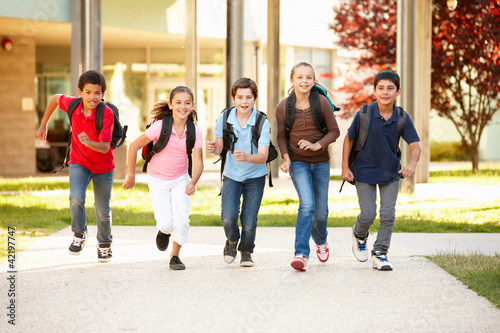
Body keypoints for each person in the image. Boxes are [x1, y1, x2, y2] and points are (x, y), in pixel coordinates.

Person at [341, 69, 421, 271]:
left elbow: (416, 146)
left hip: (390, 173)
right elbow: (348, 139)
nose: (385, 92)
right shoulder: (365, 113)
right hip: (364, 171)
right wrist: (344, 167)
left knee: (388, 215)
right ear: (375, 91)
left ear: (398, 91)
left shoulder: (402, 117)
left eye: (390, 88)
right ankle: (359, 234)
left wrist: (411, 164)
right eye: (381, 88)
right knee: (368, 214)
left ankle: (380, 253)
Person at [36, 70, 115, 262]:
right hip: (79, 162)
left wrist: (89, 143)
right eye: (88, 92)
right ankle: (80, 234)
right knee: (76, 198)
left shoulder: (106, 113)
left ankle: (104, 243)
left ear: (103, 94)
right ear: (80, 92)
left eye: (97, 93)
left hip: (103, 167)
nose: (92, 97)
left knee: (102, 209)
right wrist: (43, 124)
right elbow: (55, 98)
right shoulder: (72, 105)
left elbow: (105, 147)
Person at [123, 86, 204, 270]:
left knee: (182, 219)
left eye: (187, 103)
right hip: (158, 179)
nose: (182, 106)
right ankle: (164, 231)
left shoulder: (195, 131)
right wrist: (131, 175)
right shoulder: (160, 126)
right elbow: (134, 147)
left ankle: (175, 256)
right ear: (170, 105)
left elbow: (199, 163)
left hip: (181, 179)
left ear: (192, 105)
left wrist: (192, 182)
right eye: (178, 102)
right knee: (166, 223)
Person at [275, 62, 341, 271]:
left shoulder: (321, 102)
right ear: (292, 80)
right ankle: (301, 253)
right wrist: (286, 158)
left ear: (314, 81)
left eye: (308, 77)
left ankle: (321, 241)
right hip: (298, 162)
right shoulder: (283, 107)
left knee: (321, 212)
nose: (304, 81)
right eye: (300, 77)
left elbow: (334, 132)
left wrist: (317, 145)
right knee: (307, 205)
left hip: (321, 162)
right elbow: (281, 136)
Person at [206, 77, 270, 268]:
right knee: (228, 216)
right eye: (240, 97)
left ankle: (247, 251)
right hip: (232, 175)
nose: (244, 101)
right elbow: (219, 147)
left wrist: (246, 157)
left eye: (248, 97)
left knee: (249, 221)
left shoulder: (261, 122)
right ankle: (232, 241)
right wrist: (214, 148)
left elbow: (263, 156)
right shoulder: (224, 118)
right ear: (233, 98)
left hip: (255, 176)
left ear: (255, 99)